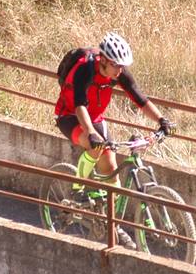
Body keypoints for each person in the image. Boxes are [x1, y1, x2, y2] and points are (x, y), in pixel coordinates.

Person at [53, 32, 175, 188]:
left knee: (110, 166)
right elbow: (80, 106)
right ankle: (77, 189)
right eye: (115, 64)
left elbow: (141, 100)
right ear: (103, 60)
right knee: (95, 147)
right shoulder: (85, 69)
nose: (119, 70)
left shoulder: (119, 73)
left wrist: (162, 120)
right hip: (69, 116)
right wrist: (90, 133)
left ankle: (110, 208)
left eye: (122, 65)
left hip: (94, 117)